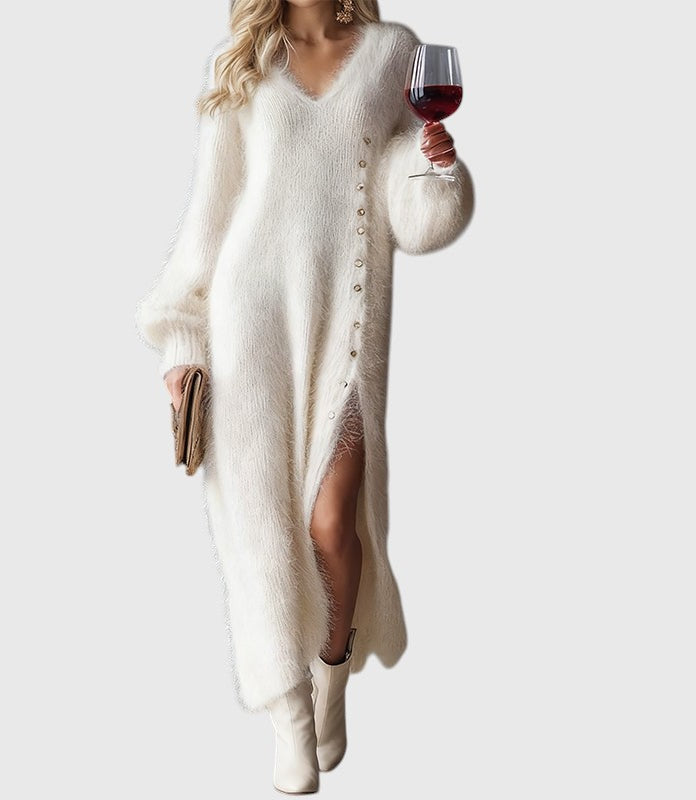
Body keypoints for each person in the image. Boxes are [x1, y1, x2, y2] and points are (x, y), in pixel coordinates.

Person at [135, 0, 474, 792]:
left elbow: (413, 220)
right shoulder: (246, 63)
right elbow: (210, 220)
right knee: (258, 528)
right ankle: (289, 715)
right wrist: (184, 344)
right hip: (245, 325)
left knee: (332, 521)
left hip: (344, 327)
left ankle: (331, 674)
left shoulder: (393, 53)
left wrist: (436, 166)